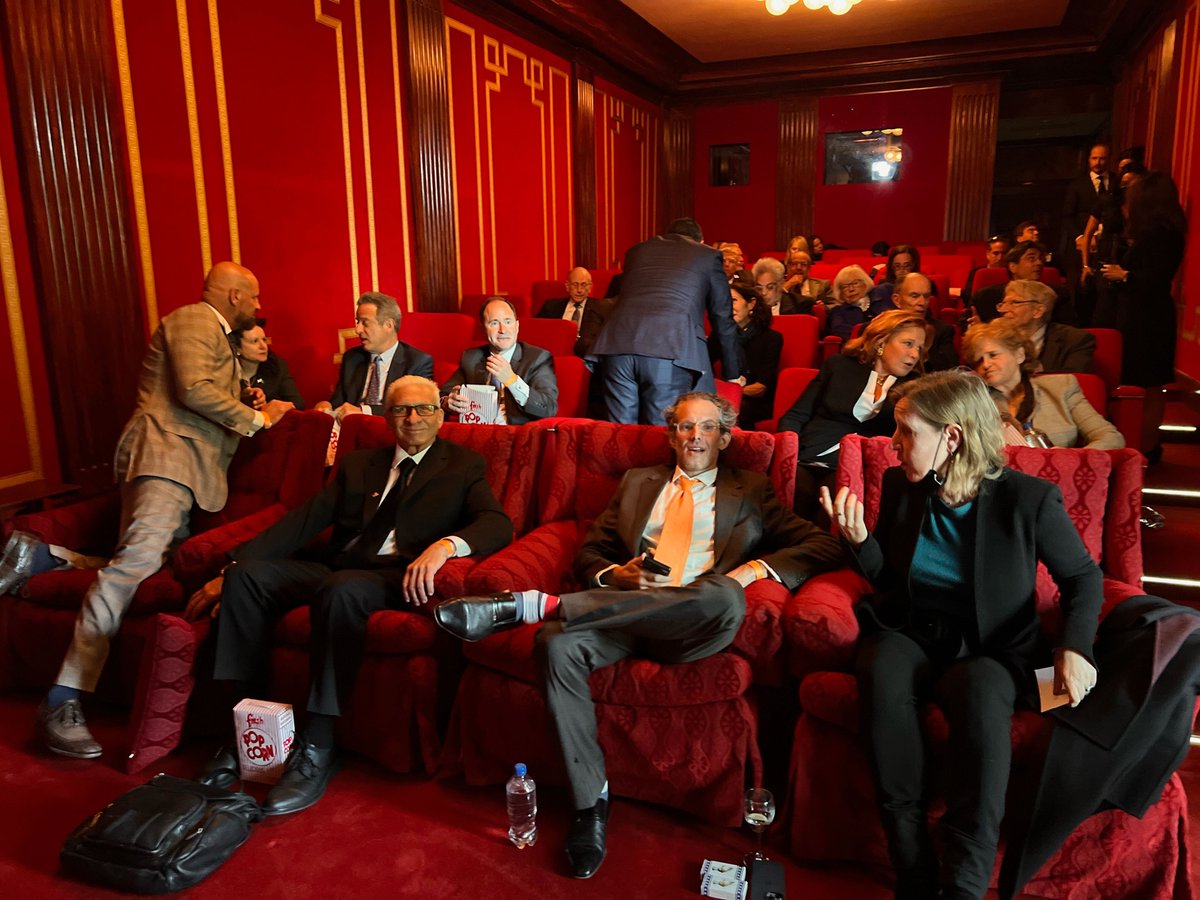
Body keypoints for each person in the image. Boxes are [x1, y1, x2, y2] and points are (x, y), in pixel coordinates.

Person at [434, 391, 844, 879]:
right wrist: (613, 576)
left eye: (707, 427)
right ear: (671, 436)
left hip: (694, 624)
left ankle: (535, 606)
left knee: (724, 596)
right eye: (685, 427)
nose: (695, 437)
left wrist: (752, 571)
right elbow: (590, 552)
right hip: (620, 619)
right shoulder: (637, 482)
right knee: (555, 644)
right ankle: (591, 805)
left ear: (726, 437)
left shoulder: (751, 489)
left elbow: (819, 544)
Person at [820, 369, 1101, 899]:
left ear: (951, 436)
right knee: (880, 666)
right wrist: (859, 540)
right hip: (914, 630)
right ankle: (912, 867)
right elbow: (886, 579)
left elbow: (1083, 578)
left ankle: (963, 886)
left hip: (990, 648)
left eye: (907, 431)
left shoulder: (1028, 500)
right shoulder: (902, 486)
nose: (894, 443)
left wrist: (1074, 647)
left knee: (981, 694)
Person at [187, 376, 512, 813]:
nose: (412, 418)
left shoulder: (463, 465)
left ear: (440, 414)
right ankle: (251, 730)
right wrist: (230, 568)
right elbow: (304, 521)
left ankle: (318, 745)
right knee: (248, 577)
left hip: (391, 578)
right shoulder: (361, 464)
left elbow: (496, 523)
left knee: (340, 590)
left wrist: (446, 545)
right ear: (386, 416)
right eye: (401, 410)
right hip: (337, 565)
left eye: (423, 409)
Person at [36, 261, 295, 758]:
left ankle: (47, 558)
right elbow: (193, 391)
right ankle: (63, 697)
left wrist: (244, 389)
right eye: (255, 298)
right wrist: (258, 417)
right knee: (133, 565)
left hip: (186, 465)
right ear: (235, 295)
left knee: (145, 560)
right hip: (167, 457)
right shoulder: (195, 319)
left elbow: (207, 386)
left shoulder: (216, 334)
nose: (259, 308)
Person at [589, 218, 740, 424]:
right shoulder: (708, 255)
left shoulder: (637, 251)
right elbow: (722, 317)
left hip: (616, 345)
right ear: (701, 240)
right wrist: (732, 372)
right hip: (668, 346)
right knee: (660, 434)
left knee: (619, 434)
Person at [779, 309, 926, 517]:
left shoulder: (915, 388)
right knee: (795, 492)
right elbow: (796, 416)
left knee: (836, 500)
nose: (914, 354)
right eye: (908, 344)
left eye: (919, 348)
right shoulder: (838, 366)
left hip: (858, 466)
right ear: (882, 341)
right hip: (809, 455)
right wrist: (789, 453)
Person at [1099, 170, 1187, 457]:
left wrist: (1124, 275)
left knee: (1145, 386)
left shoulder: (1160, 233)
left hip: (1146, 319)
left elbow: (1156, 279)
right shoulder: (1166, 231)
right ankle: (1145, 446)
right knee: (1149, 385)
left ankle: (1143, 448)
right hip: (1149, 315)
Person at [964, 319, 1122, 450]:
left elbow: (1111, 438)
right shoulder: (974, 402)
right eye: (978, 360)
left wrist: (1071, 459)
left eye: (993, 355)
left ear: (1019, 355)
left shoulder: (1061, 387)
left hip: (1060, 480)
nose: (985, 364)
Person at [316, 292, 434, 423]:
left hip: (390, 432)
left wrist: (364, 411)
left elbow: (410, 409)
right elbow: (339, 402)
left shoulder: (417, 362)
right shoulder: (352, 358)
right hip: (350, 431)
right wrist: (327, 405)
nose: (358, 329)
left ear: (388, 325)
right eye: (358, 322)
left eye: (365, 323)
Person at [442, 297, 558, 424]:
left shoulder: (537, 358)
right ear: (483, 328)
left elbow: (548, 408)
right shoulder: (471, 357)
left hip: (517, 436)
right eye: (494, 323)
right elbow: (442, 396)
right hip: (478, 434)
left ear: (517, 326)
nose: (503, 330)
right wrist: (448, 402)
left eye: (508, 322)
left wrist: (512, 380)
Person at [709, 277, 782, 428]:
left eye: (733, 300)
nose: (728, 307)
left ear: (751, 304)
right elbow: (704, 369)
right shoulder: (719, 336)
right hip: (725, 398)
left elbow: (760, 388)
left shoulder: (771, 338)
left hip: (755, 403)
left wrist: (730, 391)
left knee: (731, 411)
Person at [996, 280, 1094, 374]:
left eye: (1014, 302)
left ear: (1038, 311)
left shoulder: (1075, 341)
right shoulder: (994, 339)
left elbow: (1073, 382)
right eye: (1003, 304)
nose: (1003, 310)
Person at [535, 266, 613, 359]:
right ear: (567, 286)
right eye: (575, 285)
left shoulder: (600, 308)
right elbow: (537, 331)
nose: (579, 290)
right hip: (555, 355)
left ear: (590, 287)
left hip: (584, 357)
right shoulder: (551, 307)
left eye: (584, 285)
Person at [230, 317, 305, 409]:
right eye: (255, 341)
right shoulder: (226, 369)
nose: (263, 346)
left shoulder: (277, 366)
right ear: (237, 348)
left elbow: (298, 404)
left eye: (264, 340)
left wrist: (269, 407)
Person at [891, 273, 958, 372]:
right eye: (914, 296)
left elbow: (950, 373)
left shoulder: (941, 331)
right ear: (897, 300)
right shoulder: (880, 329)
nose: (922, 303)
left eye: (926, 296)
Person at [824, 264, 880, 342]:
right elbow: (838, 330)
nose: (851, 289)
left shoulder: (878, 300)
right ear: (840, 291)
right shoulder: (838, 311)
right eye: (845, 286)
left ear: (865, 284)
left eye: (855, 283)